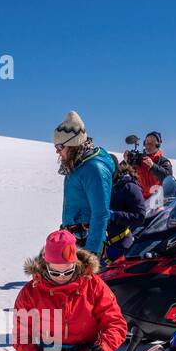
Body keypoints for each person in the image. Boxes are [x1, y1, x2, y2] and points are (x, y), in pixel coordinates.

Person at [53, 111, 116, 262]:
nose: (57, 150)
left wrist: (91, 253)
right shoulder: (76, 165)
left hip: (86, 243)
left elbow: (100, 213)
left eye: (60, 146)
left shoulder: (93, 168)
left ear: (73, 145)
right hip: (73, 239)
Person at [106, 159, 147, 261]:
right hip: (102, 247)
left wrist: (114, 215)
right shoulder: (103, 187)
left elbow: (140, 216)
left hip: (120, 247)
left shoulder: (130, 187)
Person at [127, 131, 174, 200]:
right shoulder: (138, 159)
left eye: (152, 143)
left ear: (158, 145)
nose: (148, 145)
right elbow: (123, 174)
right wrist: (127, 162)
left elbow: (168, 178)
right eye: (147, 142)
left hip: (157, 201)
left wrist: (153, 166)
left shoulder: (163, 161)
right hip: (140, 199)